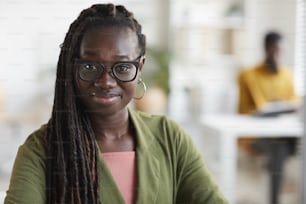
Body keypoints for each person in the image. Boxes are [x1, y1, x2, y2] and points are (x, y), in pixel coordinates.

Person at [4, 4, 227, 204]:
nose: (105, 82)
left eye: (122, 67)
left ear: (139, 68)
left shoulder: (169, 136)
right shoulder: (41, 150)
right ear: (72, 68)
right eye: (90, 67)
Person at [237, 31, 300, 204]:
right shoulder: (249, 75)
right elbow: (246, 110)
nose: (278, 54)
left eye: (281, 50)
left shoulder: (287, 76)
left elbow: (293, 103)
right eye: (275, 49)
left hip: (284, 134)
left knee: (284, 147)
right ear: (266, 49)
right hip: (257, 136)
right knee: (279, 149)